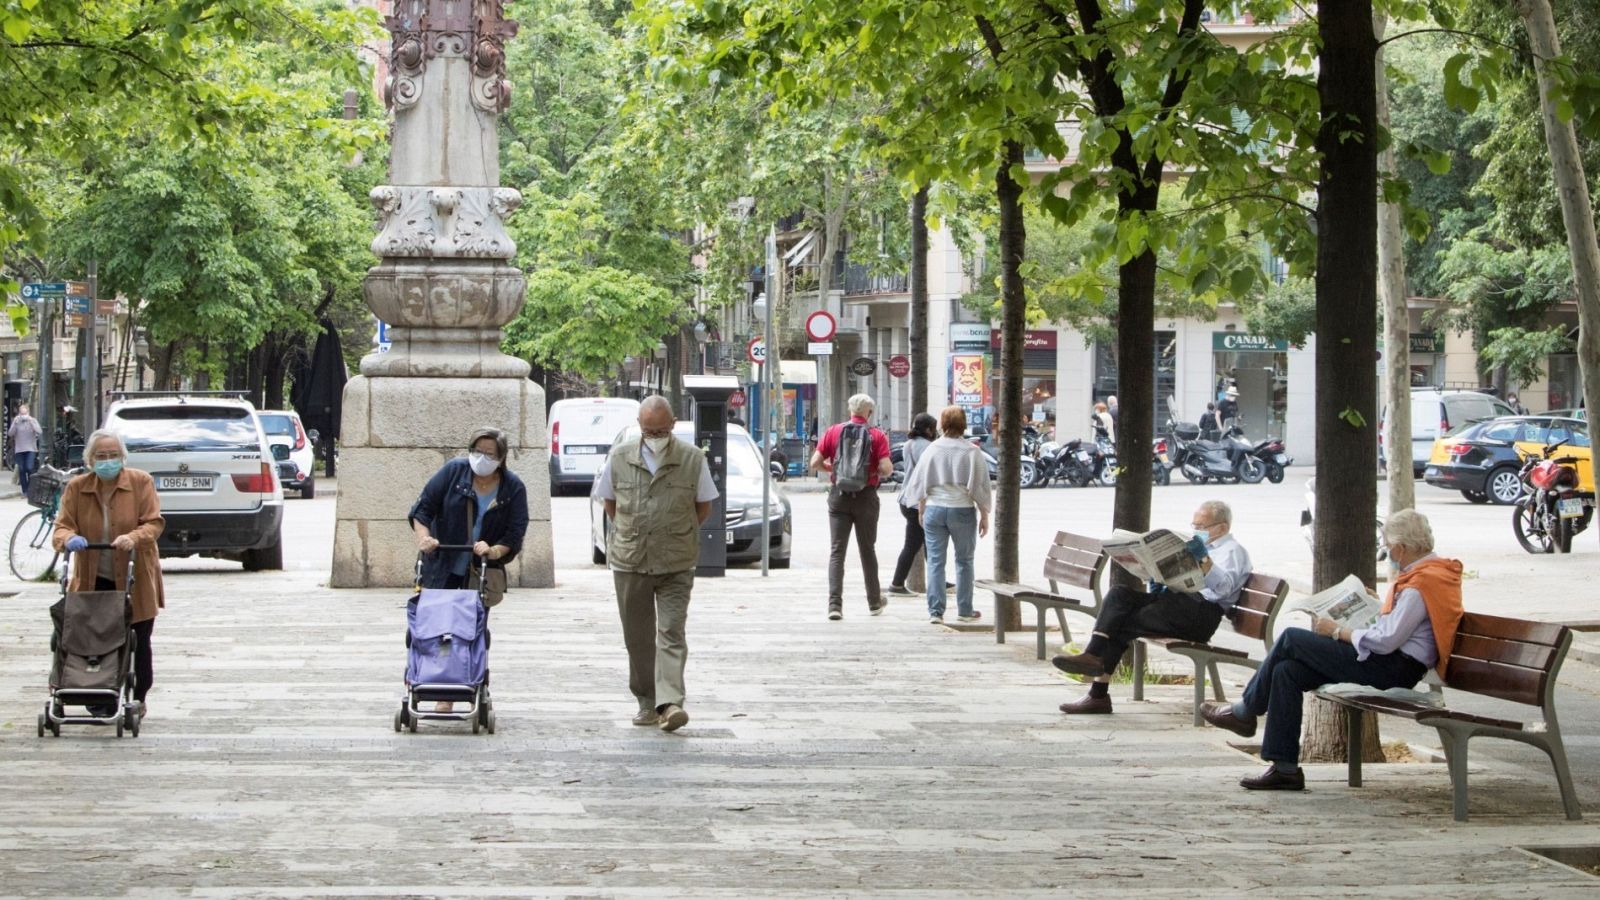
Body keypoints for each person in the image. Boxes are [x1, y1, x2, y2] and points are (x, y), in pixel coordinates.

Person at [1201, 510, 1463, 791]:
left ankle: (1244, 711)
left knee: (1291, 638)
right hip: (1388, 661)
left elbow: (1387, 641)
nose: (1389, 553)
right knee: (1286, 671)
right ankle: (1285, 768)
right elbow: (1399, 629)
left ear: (1401, 547)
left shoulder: (1420, 584)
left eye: (1388, 548)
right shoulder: (1429, 574)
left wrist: (1337, 631)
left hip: (1392, 667)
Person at [1052, 500, 1252, 714]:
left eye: (1202, 527)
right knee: (1119, 595)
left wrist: (1202, 558)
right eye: (1194, 526)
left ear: (1222, 527)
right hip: (1178, 604)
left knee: (1120, 621)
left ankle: (1097, 689)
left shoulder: (1233, 551)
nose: (1196, 531)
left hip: (1200, 615)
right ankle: (1093, 659)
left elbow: (1223, 589)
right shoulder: (1205, 546)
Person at [594, 396, 718, 732]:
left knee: (671, 632)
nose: (655, 435)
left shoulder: (692, 459)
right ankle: (646, 703)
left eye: (661, 430)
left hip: (676, 561)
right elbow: (610, 503)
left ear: (673, 425)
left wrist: (676, 532)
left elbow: (703, 507)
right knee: (637, 637)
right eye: (649, 430)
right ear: (639, 426)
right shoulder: (619, 457)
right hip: (630, 561)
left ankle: (670, 703)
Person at [410, 428, 531, 710]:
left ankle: (471, 681)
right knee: (439, 628)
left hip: (481, 572)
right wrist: (425, 538)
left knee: (470, 630)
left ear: (501, 458)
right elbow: (422, 509)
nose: (482, 458)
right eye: (477, 451)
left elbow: (515, 534)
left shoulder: (513, 488)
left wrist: (493, 550)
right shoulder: (453, 473)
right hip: (444, 564)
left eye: (490, 453)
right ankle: (442, 691)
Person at [52, 430, 165, 717]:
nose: (107, 461)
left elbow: (154, 523)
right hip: (93, 576)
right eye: (101, 456)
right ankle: (97, 695)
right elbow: (62, 526)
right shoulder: (77, 488)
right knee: (93, 638)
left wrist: (134, 537)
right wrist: (67, 539)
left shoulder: (141, 483)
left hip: (134, 574)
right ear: (90, 459)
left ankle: (138, 695)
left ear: (122, 457)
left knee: (138, 637)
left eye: (113, 455)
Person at [899, 406, 993, 624]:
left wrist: (922, 508)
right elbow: (981, 486)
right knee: (965, 561)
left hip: (934, 509)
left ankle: (935, 612)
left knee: (935, 562)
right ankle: (965, 610)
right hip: (962, 509)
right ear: (963, 424)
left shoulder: (932, 449)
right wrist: (984, 514)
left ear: (942, 424)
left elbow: (922, 482)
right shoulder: (972, 451)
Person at [810, 394, 894, 620]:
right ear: (869, 412)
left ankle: (834, 605)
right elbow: (887, 469)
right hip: (866, 496)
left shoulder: (833, 432)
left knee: (837, 551)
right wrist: (870, 472)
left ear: (850, 410)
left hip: (839, 496)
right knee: (868, 550)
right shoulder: (877, 436)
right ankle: (874, 603)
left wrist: (835, 471)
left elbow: (814, 463)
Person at [888, 412, 939, 596]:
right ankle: (897, 583)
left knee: (926, 542)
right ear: (928, 429)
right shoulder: (928, 447)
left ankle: (938, 580)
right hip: (918, 501)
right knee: (914, 544)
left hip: (905, 498)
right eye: (933, 428)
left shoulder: (908, 444)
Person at [8, 403, 43, 493]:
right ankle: (25, 491)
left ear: (28, 412)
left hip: (31, 449)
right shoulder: (17, 421)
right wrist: (14, 424)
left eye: (24, 413)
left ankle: (31, 488)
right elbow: (10, 433)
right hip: (19, 449)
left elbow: (39, 431)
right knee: (22, 470)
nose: (23, 416)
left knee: (29, 467)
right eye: (21, 413)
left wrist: (32, 422)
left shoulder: (33, 420)